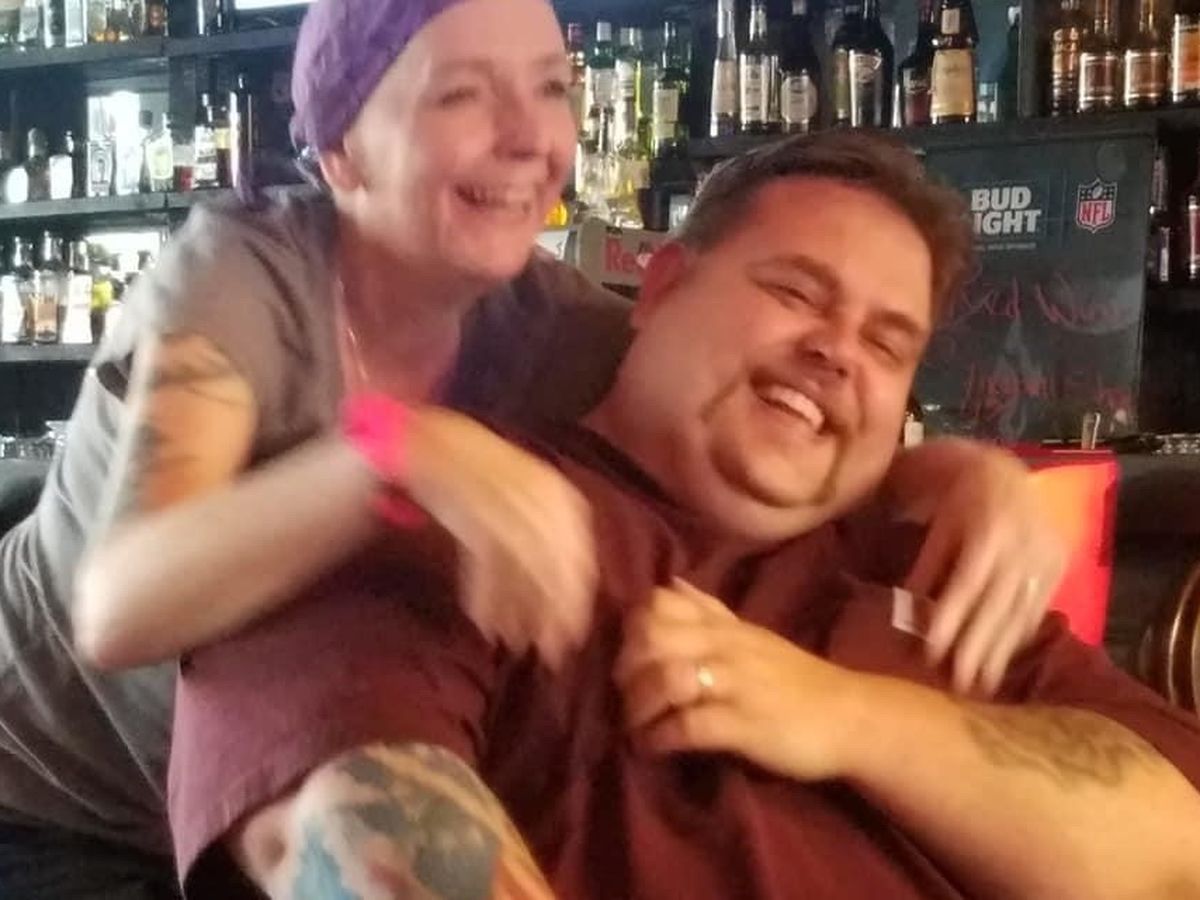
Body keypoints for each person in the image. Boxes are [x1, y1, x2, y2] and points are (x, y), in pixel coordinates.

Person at [1, 1, 1060, 898]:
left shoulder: (547, 314)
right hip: (55, 796)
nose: (528, 137)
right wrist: (395, 453)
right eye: (463, 94)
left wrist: (959, 473)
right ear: (342, 152)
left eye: (551, 88)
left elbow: (747, 400)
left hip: (241, 804)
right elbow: (117, 608)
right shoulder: (240, 274)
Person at [168, 131, 1200, 900]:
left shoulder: (933, 570)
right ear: (661, 287)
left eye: (889, 344)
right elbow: (346, 836)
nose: (838, 352)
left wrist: (845, 717)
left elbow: (1175, 851)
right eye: (797, 292)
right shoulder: (465, 508)